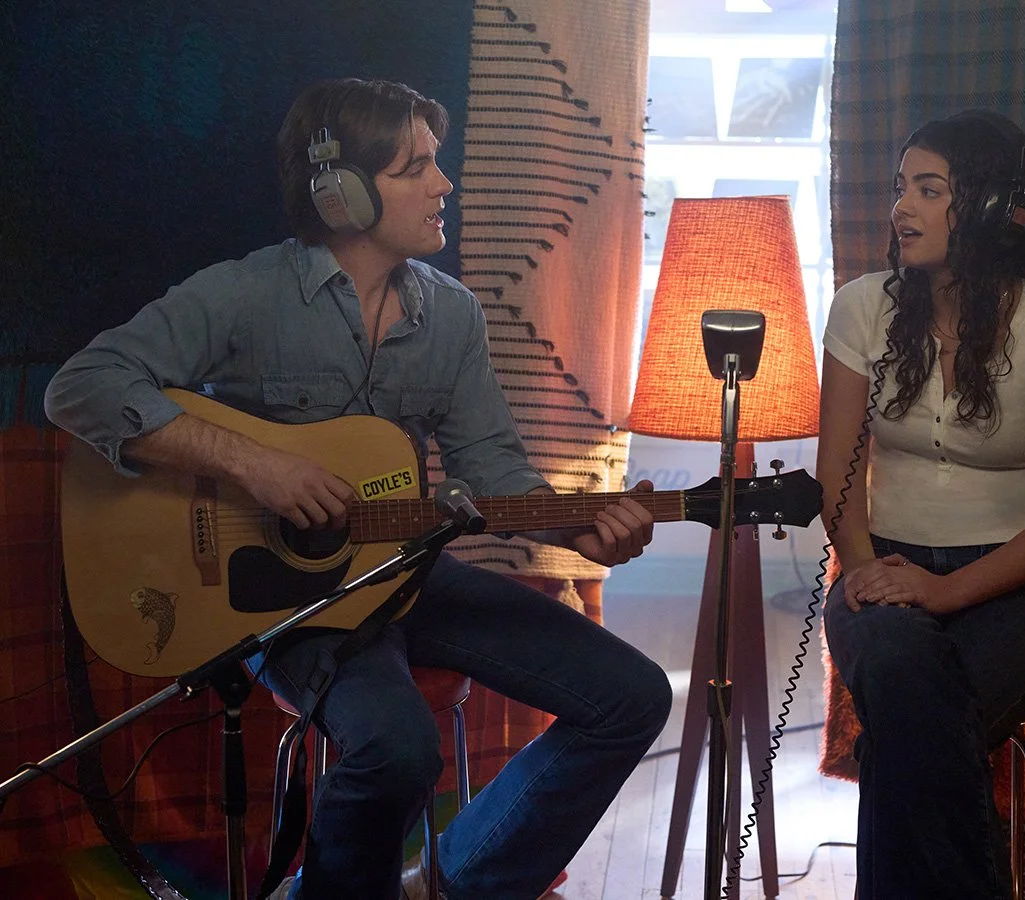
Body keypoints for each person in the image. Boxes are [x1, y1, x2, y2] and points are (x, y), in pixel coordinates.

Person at [44, 77, 673, 900]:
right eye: (417, 167)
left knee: (632, 695)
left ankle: (442, 886)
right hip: (284, 600)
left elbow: (492, 466)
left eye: (435, 163)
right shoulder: (245, 295)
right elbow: (81, 386)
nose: (443, 185)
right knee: (399, 747)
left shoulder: (451, 315)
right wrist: (252, 463)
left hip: (409, 573)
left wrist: (574, 528)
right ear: (340, 193)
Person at [816, 110, 1025, 899]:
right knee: (906, 678)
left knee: (905, 728)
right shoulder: (862, 310)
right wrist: (871, 573)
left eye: (928, 189)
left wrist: (943, 591)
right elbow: (835, 473)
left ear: (982, 208)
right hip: (881, 567)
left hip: (1017, 591)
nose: (900, 208)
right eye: (899, 188)